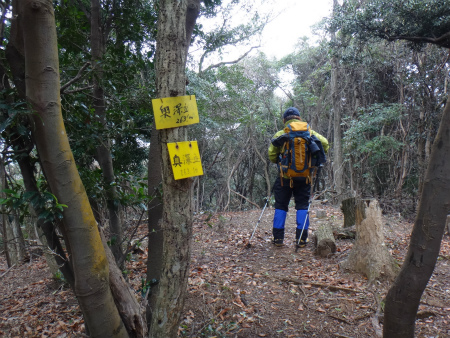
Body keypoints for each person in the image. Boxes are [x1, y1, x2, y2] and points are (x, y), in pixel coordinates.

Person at [268, 107, 329, 247]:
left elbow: (271, 155)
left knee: (281, 205)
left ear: (284, 120)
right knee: (302, 205)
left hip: (285, 177)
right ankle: (301, 239)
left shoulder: (282, 133)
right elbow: (325, 143)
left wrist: (279, 158)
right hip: (305, 177)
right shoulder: (309, 132)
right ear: (299, 118)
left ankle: (278, 239)